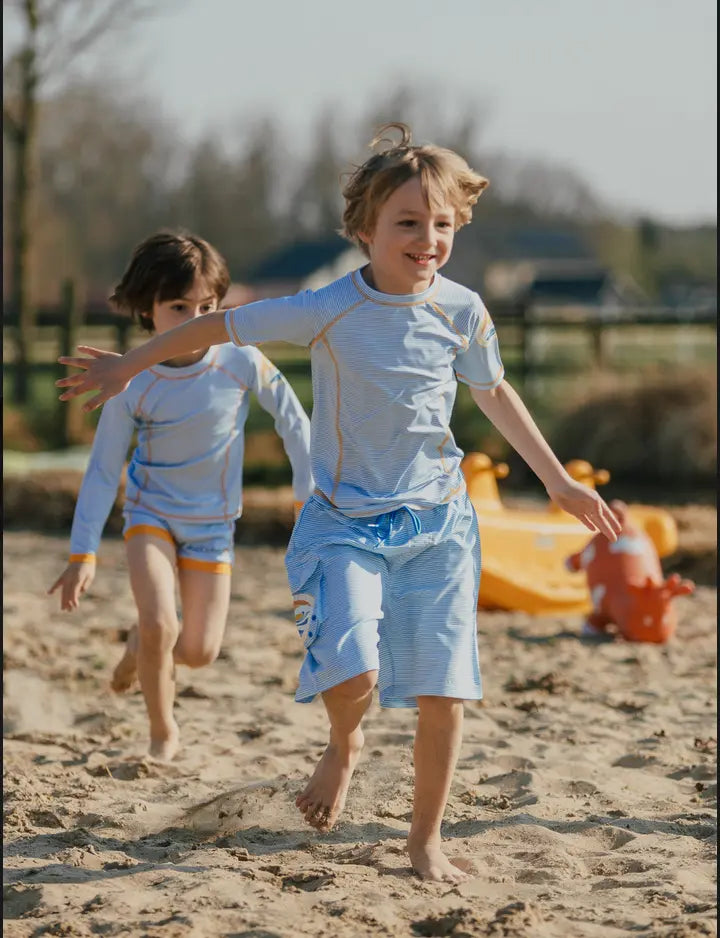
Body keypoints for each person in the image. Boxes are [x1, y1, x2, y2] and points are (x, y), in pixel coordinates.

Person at [56, 126, 621, 881]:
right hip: (346, 526)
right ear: (365, 231)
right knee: (352, 676)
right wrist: (130, 365)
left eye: (442, 224)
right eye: (408, 223)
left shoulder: (464, 311)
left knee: (443, 692)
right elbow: (218, 325)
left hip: (440, 527)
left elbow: (492, 391)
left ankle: (424, 840)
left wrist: (556, 480)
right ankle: (344, 742)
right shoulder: (328, 307)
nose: (427, 240)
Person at [49, 230, 313, 762]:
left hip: (213, 526)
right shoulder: (131, 378)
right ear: (148, 308)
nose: (196, 319)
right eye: (179, 306)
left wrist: (306, 494)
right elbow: (103, 471)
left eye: (207, 307)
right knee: (162, 625)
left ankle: (137, 645)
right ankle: (162, 731)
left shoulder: (239, 361)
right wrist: (83, 554)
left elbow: (294, 419)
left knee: (196, 651)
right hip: (151, 518)